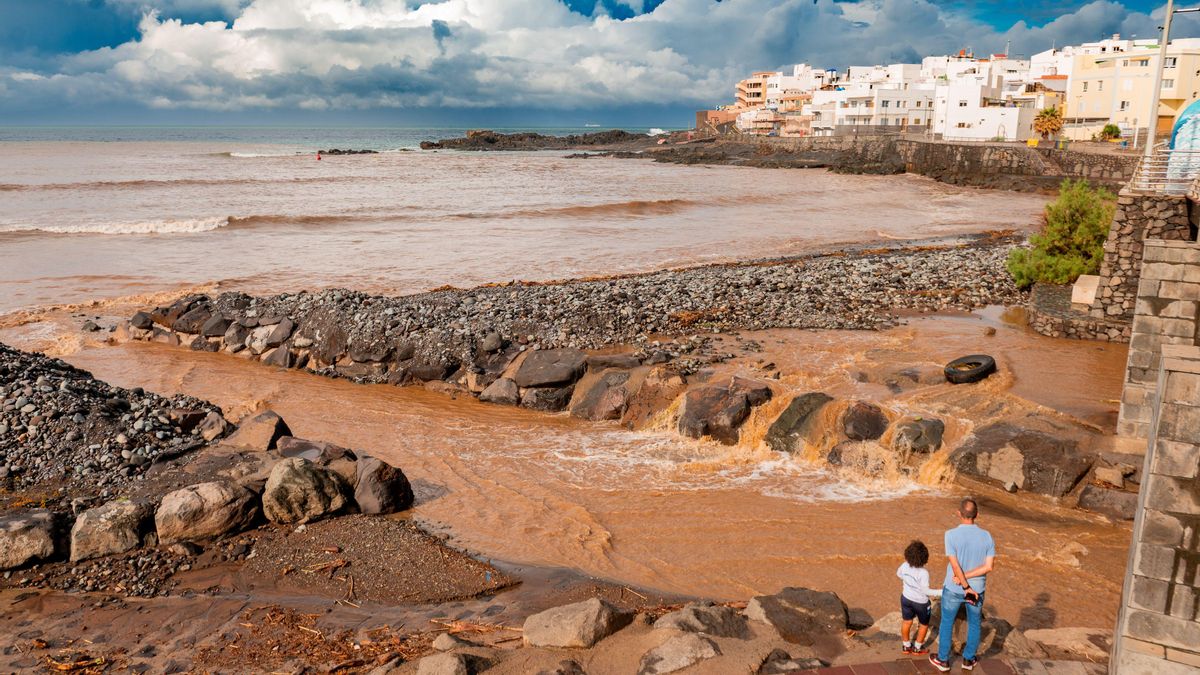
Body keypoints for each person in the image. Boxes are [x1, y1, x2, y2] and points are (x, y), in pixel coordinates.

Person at [930, 497, 995, 673]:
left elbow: (955, 566)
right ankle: (968, 659)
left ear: (959, 513)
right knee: (974, 623)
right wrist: (968, 580)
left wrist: (963, 581)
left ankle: (943, 660)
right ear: (977, 515)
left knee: (947, 622)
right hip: (977, 590)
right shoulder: (987, 536)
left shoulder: (950, 535)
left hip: (954, 588)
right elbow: (989, 567)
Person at [897, 540, 940, 655]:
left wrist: (908, 582)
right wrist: (941, 592)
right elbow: (926, 591)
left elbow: (898, 574)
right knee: (924, 624)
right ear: (924, 557)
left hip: (906, 598)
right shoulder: (923, 572)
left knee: (907, 622)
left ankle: (906, 646)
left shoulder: (904, 565)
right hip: (921, 603)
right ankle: (917, 648)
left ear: (907, 554)